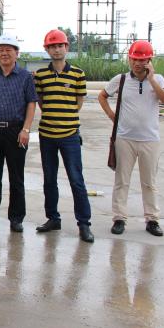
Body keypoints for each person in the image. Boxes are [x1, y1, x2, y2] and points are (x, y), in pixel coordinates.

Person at [99, 40, 164, 237]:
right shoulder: (121, 79)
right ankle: (119, 218)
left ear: (149, 60)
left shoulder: (159, 79)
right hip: (125, 138)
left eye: (142, 60)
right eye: (134, 59)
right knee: (122, 180)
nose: (138, 63)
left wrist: (152, 79)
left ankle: (152, 219)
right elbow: (102, 96)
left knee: (149, 182)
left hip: (150, 139)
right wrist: (112, 116)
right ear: (129, 59)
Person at [34, 29, 94, 243]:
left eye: (60, 45)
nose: (56, 49)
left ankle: (84, 223)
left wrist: (65, 117)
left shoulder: (78, 74)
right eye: (52, 46)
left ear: (66, 47)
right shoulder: (41, 75)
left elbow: (78, 103)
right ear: (47, 50)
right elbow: (41, 101)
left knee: (76, 180)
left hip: (70, 136)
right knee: (49, 180)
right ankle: (53, 218)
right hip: (47, 135)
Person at [0, 33, 37, 232]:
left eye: (8, 50)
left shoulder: (25, 77)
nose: (4, 53)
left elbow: (31, 103)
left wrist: (26, 129)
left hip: (16, 131)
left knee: (16, 177)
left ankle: (16, 218)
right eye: (0, 50)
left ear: (16, 53)